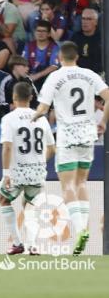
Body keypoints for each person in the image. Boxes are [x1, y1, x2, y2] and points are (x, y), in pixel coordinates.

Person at [32, 41, 109, 255]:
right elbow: (108, 96)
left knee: (67, 187)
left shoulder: (55, 76)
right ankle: (83, 228)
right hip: (88, 132)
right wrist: (103, 121)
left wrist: (32, 117)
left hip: (67, 135)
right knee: (81, 182)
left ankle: (81, 228)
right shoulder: (89, 74)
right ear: (77, 57)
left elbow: (43, 108)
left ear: (59, 57)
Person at [0, 81, 55, 256]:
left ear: (14, 98)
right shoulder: (42, 119)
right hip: (37, 171)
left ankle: (17, 243)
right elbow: (52, 149)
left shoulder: (9, 118)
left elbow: (7, 147)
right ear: (31, 98)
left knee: (3, 199)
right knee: (30, 206)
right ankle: (32, 245)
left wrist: (6, 173)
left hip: (17, 171)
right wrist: (38, 161)